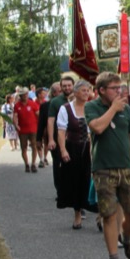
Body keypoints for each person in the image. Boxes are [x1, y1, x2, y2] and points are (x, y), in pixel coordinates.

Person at [87, 72, 130, 259]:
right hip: (103, 169)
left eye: (120, 87)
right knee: (109, 215)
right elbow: (98, 128)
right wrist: (113, 109)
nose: (119, 91)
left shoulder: (127, 110)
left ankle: (127, 238)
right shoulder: (92, 107)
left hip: (126, 168)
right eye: (114, 88)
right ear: (101, 90)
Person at [56, 80, 96, 231]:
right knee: (76, 181)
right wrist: (63, 150)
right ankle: (78, 213)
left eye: (88, 90)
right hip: (74, 148)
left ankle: (101, 215)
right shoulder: (66, 109)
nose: (86, 93)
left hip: (92, 148)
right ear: (76, 92)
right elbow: (61, 131)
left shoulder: (92, 107)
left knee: (94, 180)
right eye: (84, 90)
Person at [46, 76, 75, 193]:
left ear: (73, 86)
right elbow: (50, 120)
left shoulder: (79, 99)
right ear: (61, 87)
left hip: (75, 138)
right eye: (64, 86)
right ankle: (60, 190)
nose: (67, 88)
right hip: (59, 137)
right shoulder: (55, 102)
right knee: (58, 164)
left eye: (69, 85)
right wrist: (51, 139)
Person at [15, 91, 40, 173]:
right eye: (23, 95)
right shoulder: (17, 105)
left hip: (33, 129)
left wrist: (41, 124)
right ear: (20, 96)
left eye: (26, 94)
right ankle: (26, 164)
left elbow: (38, 114)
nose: (25, 96)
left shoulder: (32, 103)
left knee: (34, 146)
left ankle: (33, 164)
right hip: (22, 130)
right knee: (24, 147)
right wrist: (16, 125)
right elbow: (15, 116)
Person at [35, 87, 51, 167]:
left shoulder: (46, 103)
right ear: (39, 94)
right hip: (36, 125)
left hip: (45, 125)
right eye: (43, 93)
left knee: (46, 142)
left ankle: (45, 157)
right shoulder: (34, 103)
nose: (45, 94)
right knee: (38, 142)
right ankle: (41, 158)